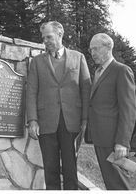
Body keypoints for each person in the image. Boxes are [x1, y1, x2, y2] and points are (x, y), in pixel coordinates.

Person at [26, 21, 91, 190]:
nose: (45, 41)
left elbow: (85, 90)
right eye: (43, 38)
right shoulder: (37, 62)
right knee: (50, 169)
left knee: (71, 169)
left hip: (71, 123)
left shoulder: (79, 57)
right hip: (46, 123)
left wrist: (84, 120)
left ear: (60, 34)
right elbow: (31, 92)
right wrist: (32, 120)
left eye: (48, 37)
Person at [87, 33, 136, 190]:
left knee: (119, 184)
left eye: (95, 49)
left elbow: (128, 109)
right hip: (100, 138)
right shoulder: (98, 72)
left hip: (114, 141)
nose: (92, 53)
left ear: (108, 48)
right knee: (110, 183)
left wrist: (122, 142)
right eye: (90, 50)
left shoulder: (121, 70)